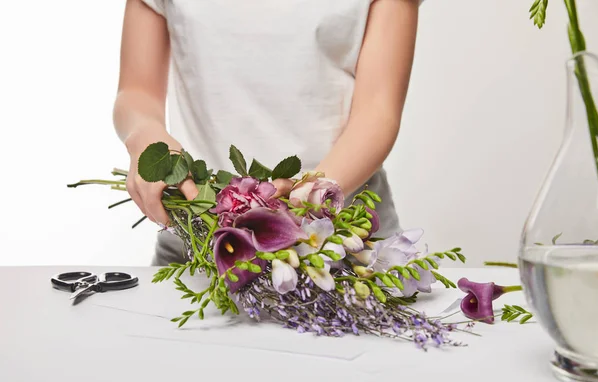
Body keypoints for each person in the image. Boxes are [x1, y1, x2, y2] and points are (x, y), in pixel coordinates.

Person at [113, 0, 422, 266]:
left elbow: (378, 111)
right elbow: (137, 92)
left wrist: (308, 195)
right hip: (199, 243)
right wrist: (148, 141)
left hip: (347, 245)